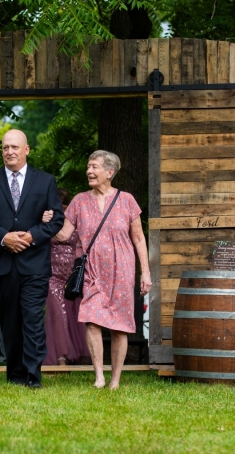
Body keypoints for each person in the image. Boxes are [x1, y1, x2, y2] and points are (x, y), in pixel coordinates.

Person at [50, 150, 152, 389]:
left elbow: (138, 239)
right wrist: (49, 221)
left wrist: (145, 272)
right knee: (92, 320)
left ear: (110, 172)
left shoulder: (127, 200)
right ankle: (99, 376)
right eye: (88, 166)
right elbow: (64, 234)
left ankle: (115, 379)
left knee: (119, 326)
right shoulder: (79, 201)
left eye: (94, 167)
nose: (89, 171)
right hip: (91, 272)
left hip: (122, 271)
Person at [0, 129, 64, 388]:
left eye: (14, 147)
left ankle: (34, 376)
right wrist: (5, 238)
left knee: (33, 318)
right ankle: (15, 375)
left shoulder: (45, 181)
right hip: (2, 263)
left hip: (34, 262)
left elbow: (56, 218)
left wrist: (31, 236)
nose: (9, 152)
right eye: (5, 148)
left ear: (26, 150)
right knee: (10, 322)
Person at [44, 188, 90, 366]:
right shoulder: (47, 222)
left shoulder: (76, 221)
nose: (62, 209)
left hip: (72, 274)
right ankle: (61, 357)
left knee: (74, 313)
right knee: (58, 313)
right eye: (58, 206)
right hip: (53, 274)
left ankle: (77, 354)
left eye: (64, 205)